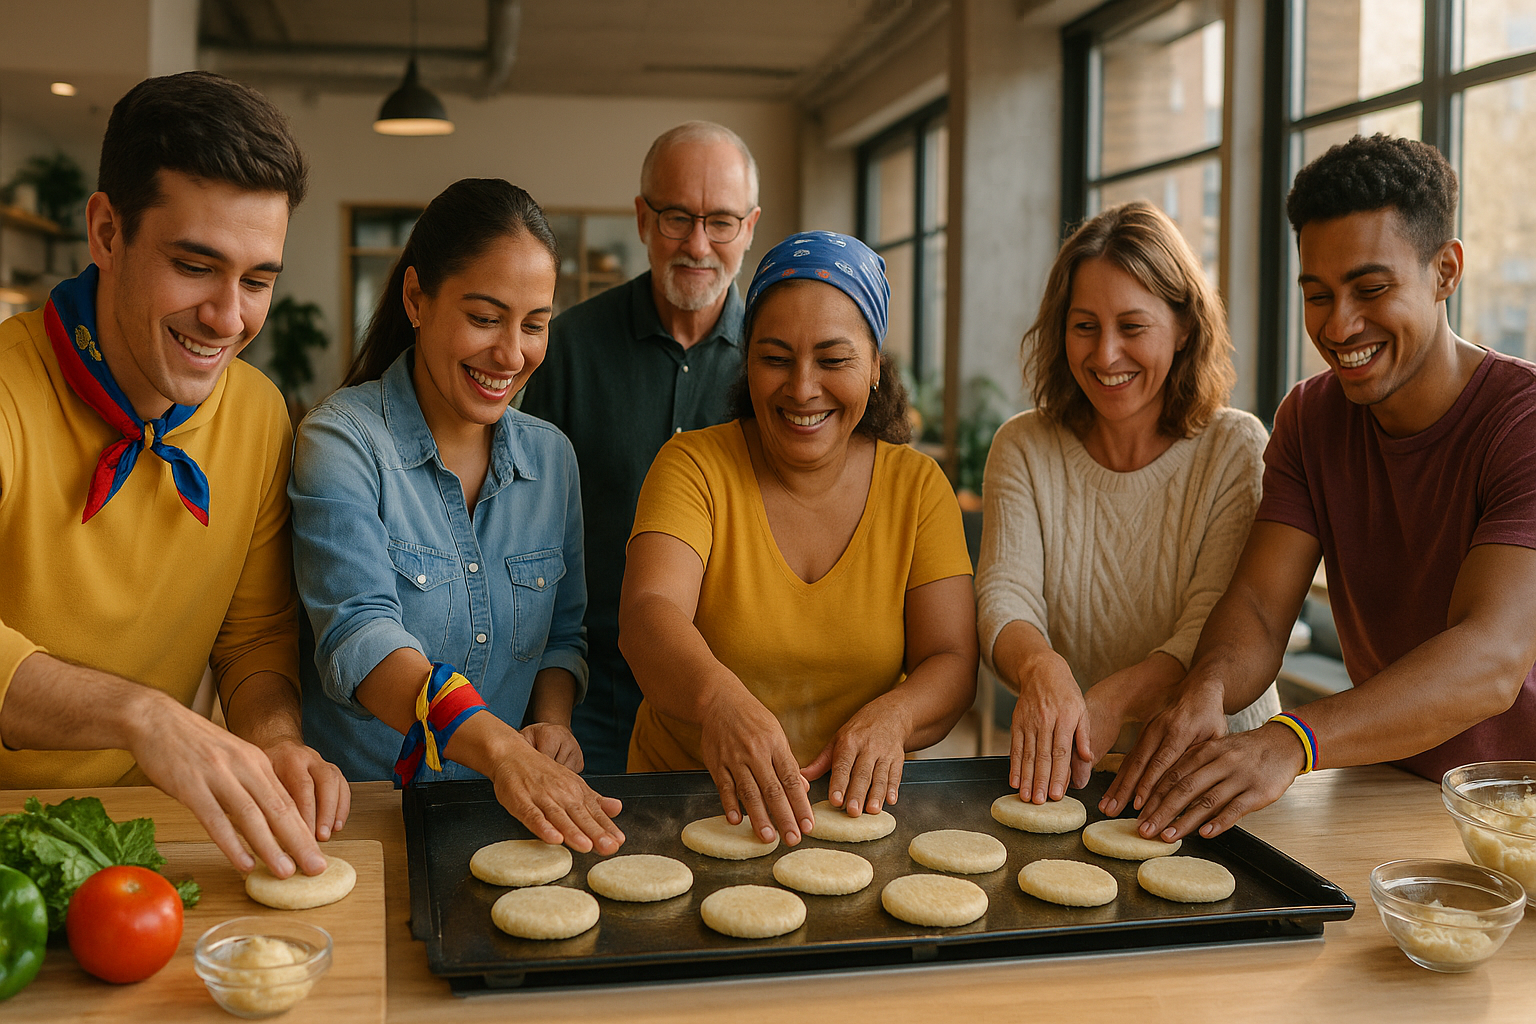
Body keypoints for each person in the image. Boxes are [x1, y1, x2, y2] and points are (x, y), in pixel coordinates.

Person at [1103, 134, 1536, 843]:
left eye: (1371, 289)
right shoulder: (1310, 416)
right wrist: (1206, 688)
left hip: (1520, 810)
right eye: (1317, 294)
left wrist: (1290, 741)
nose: (1339, 325)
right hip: (1388, 780)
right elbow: (1259, 610)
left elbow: (1491, 659)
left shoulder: (1522, 420)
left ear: (1445, 271)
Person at [0, 72, 346, 879]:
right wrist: (142, 715)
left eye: (258, 280)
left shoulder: (261, 414)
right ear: (106, 232)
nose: (230, 318)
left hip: (137, 835)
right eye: (196, 266)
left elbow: (253, 636)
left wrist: (275, 743)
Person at [291, 179, 623, 855]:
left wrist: (550, 725)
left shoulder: (552, 459)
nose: (511, 354)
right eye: (485, 317)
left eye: (534, 325)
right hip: (355, 820)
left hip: (499, 817)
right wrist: (500, 750)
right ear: (416, 298)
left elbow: (564, 634)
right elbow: (361, 638)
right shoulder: (341, 441)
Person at [619, 231, 979, 847]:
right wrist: (720, 705)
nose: (802, 387)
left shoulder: (917, 488)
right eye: (775, 357)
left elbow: (950, 661)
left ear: (873, 367)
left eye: (834, 360)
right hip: (683, 810)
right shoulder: (693, 465)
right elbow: (649, 614)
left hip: (853, 819)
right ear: (748, 360)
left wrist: (896, 715)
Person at [976, 201, 1278, 807]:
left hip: (1217, 768)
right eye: (1084, 326)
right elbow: (1005, 596)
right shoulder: (1023, 446)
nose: (1105, 354)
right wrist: (1041, 668)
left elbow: (1213, 627)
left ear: (1185, 326)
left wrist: (1111, 698)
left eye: (1132, 327)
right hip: (1090, 764)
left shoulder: (1235, 447)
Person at [520, 121, 761, 774]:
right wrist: (550, 712)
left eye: (721, 221)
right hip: (592, 690)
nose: (697, 243)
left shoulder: (776, 366)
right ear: (642, 218)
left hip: (734, 696)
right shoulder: (568, 347)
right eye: (677, 216)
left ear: (751, 225)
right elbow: (535, 544)